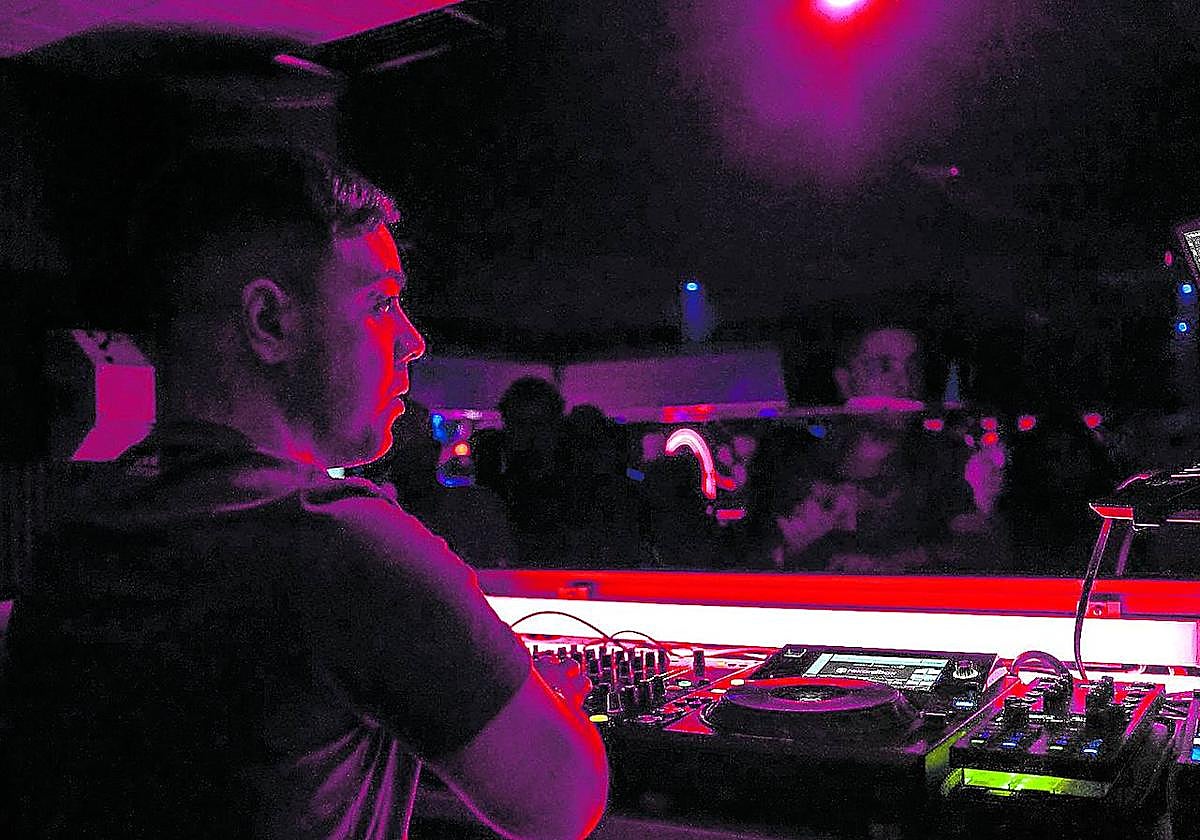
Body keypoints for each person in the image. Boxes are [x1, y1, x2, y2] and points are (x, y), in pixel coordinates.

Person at [4, 146, 608, 839]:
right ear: (270, 323)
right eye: (381, 302)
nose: (412, 340)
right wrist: (549, 702)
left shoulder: (74, 538)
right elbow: (563, 804)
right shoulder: (339, 540)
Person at [755, 324, 1004, 572]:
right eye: (883, 367)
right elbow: (764, 557)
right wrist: (792, 548)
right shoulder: (803, 466)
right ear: (846, 382)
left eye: (913, 369)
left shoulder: (947, 460)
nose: (904, 384)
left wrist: (889, 565)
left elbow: (979, 547)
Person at [359, 399, 517, 568]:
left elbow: (502, 567)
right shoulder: (372, 518)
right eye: (398, 451)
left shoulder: (478, 507)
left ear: (433, 450)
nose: (411, 462)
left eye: (414, 451)